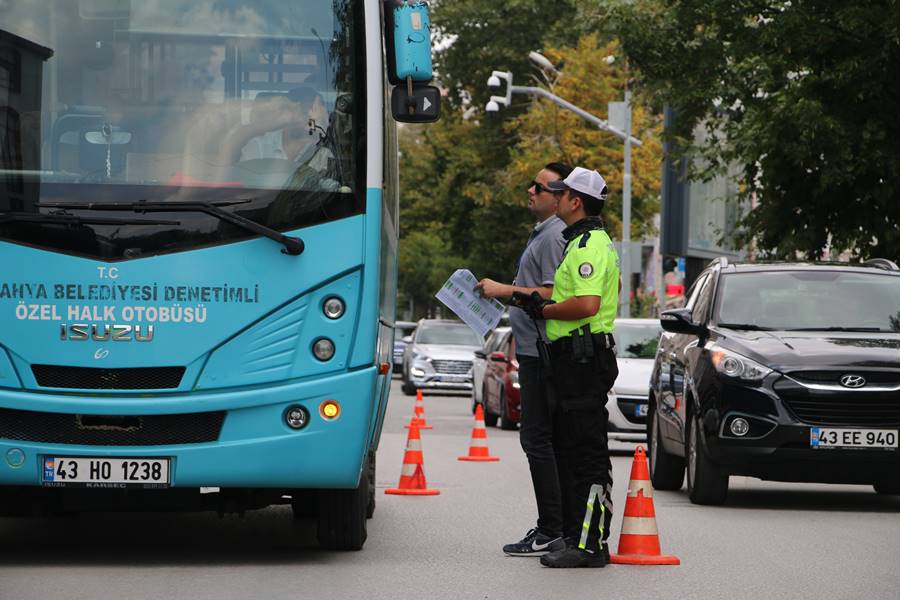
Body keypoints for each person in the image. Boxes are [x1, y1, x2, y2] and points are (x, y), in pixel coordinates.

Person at [515, 166, 620, 568]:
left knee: (586, 455)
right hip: (572, 358)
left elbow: (587, 305)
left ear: (576, 202)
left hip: (584, 359)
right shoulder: (579, 243)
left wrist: (546, 308)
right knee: (571, 451)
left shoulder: (590, 244)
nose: (554, 198)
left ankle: (591, 544)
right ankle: (576, 536)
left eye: (561, 193)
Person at [474, 162, 571, 557]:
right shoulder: (545, 233)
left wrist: (503, 290)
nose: (531, 191)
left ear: (561, 198)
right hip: (536, 350)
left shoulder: (553, 237)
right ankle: (556, 525)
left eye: (540, 187)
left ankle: (552, 528)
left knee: (538, 440)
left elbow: (550, 295)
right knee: (544, 440)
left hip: (540, 353)